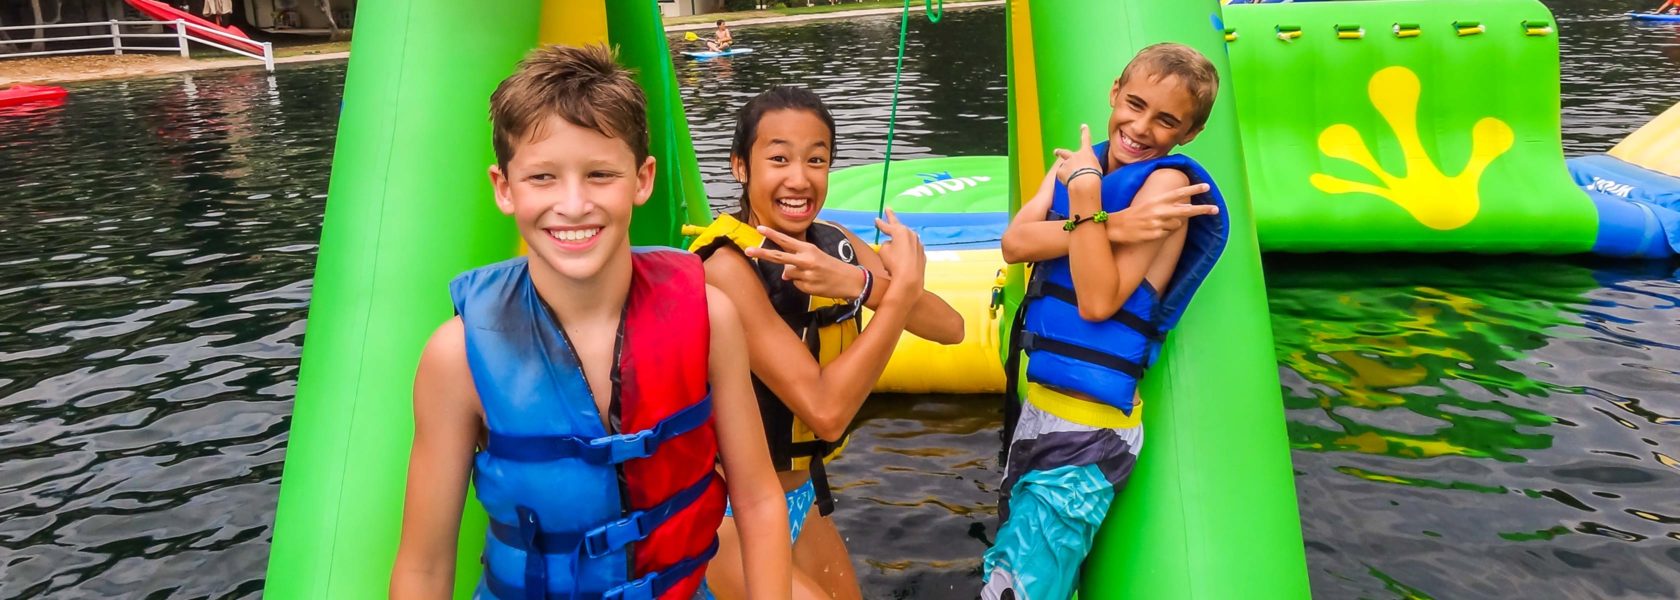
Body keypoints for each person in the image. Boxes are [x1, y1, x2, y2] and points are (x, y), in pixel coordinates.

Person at [388, 44, 791, 600]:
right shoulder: (456, 358)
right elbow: (424, 569)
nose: (573, 205)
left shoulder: (709, 318)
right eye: (543, 178)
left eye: (600, 174)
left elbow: (759, 500)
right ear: (504, 187)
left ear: (642, 179)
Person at [687, 86, 965, 600]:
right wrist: (894, 293)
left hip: (800, 498)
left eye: (817, 160)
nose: (800, 178)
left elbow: (951, 329)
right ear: (739, 168)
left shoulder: (832, 241)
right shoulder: (725, 268)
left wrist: (858, 283)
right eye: (779, 159)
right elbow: (825, 411)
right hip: (725, 512)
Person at [986, 43, 1229, 600]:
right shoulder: (1079, 165)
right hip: (1040, 414)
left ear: (1187, 134)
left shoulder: (1165, 185)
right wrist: (1110, 220)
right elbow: (1015, 242)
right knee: (1023, 569)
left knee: (1018, 587)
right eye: (1135, 104)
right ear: (1114, 93)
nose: (1141, 127)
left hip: (1088, 432)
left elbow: (1097, 301)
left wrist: (1090, 197)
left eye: (1166, 120)